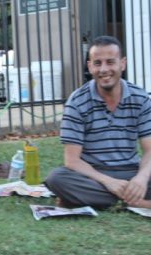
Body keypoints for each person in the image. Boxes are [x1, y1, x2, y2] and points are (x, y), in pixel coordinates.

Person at [45, 35, 151, 209]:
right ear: (89, 66)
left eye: (110, 62)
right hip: (93, 174)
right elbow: (72, 161)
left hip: (131, 170)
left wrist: (141, 178)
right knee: (57, 179)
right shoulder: (77, 101)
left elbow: (150, 151)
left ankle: (102, 200)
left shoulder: (140, 98)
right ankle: (136, 202)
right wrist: (109, 182)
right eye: (97, 63)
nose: (104, 69)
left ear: (122, 64)